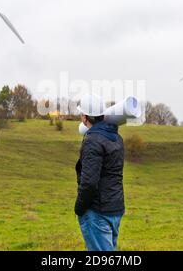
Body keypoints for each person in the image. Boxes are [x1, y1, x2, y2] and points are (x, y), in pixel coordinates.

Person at [75, 94, 125, 251]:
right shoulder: (117, 137)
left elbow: (89, 182)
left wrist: (79, 208)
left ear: (84, 117)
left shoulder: (92, 141)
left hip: (97, 212)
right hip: (115, 208)